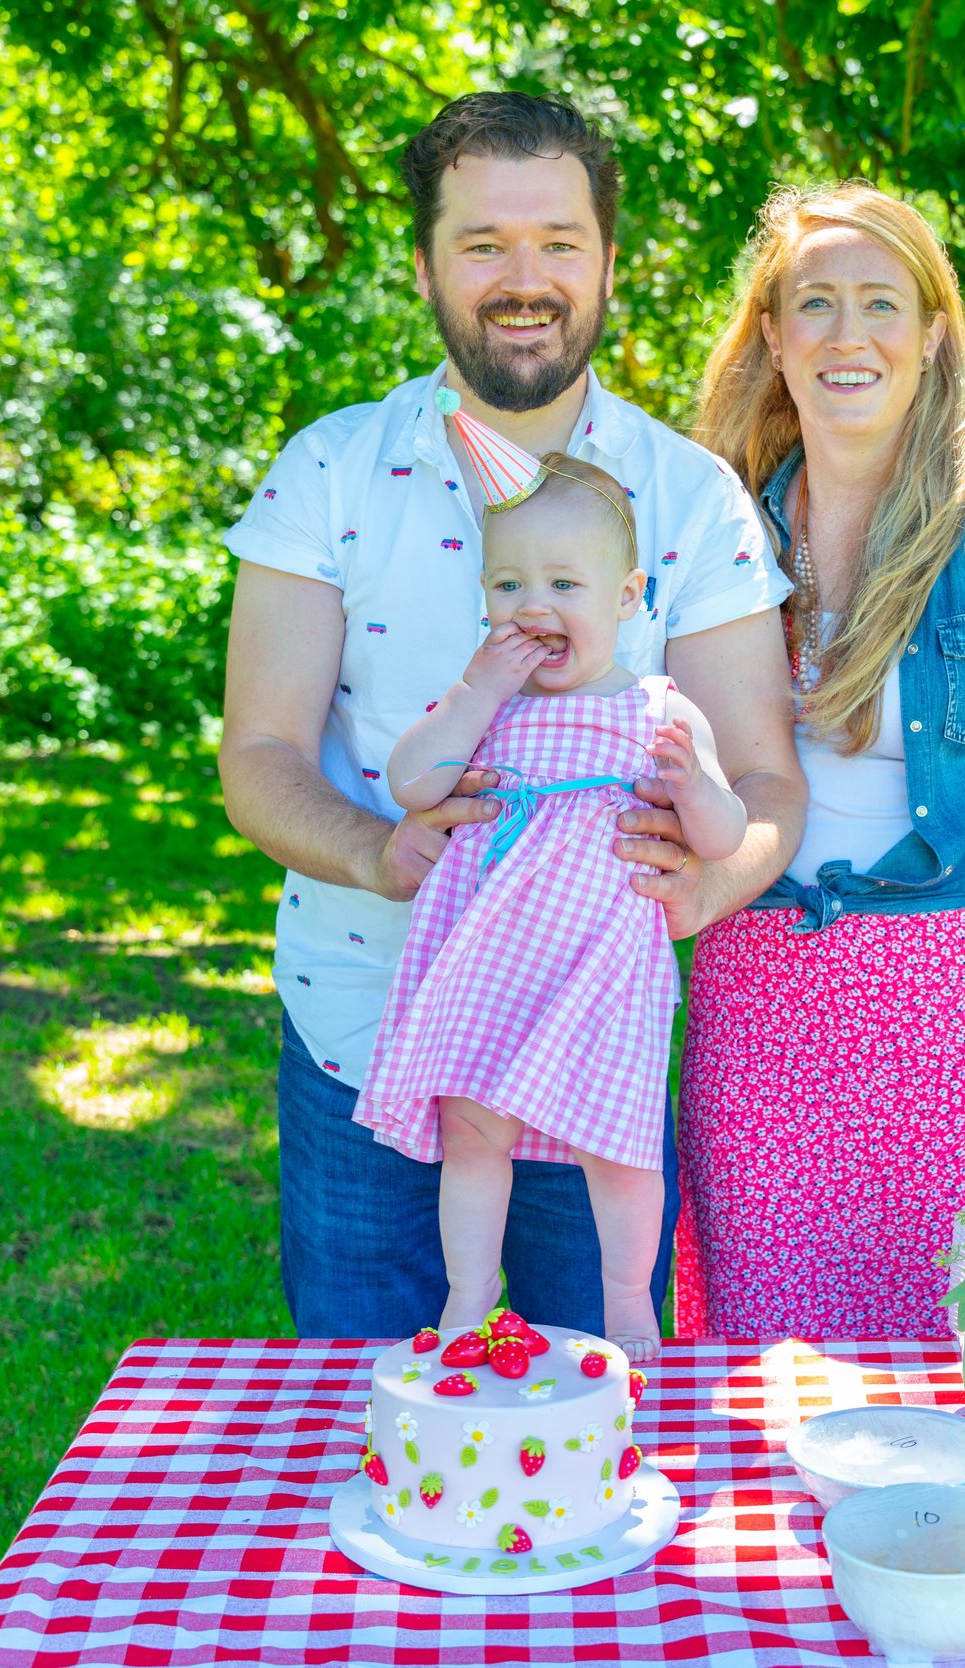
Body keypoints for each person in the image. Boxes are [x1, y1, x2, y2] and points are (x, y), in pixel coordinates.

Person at [218, 93, 802, 1341]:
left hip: (586, 1028)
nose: (523, 279)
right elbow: (260, 755)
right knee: (368, 1423)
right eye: (484, 244)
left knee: (600, 1422)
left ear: (605, 261)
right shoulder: (326, 470)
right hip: (358, 1028)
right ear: (426, 262)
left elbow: (763, 776)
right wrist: (377, 851)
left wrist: (707, 889)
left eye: (558, 242)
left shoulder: (689, 498)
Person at [673, 182, 965, 1339]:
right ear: (770, 334)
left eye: (880, 302)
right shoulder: (709, 531)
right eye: (813, 304)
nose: (846, 334)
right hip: (760, 1004)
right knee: (765, 1385)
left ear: (932, 331)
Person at [355, 454, 747, 1361]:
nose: (535, 603)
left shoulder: (662, 709)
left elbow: (723, 838)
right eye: (509, 582)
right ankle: (465, 1298)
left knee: (620, 1146)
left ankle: (626, 1304)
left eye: (565, 582)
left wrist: (695, 789)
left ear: (626, 595)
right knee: (472, 1132)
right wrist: (475, 690)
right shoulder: (485, 708)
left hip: (602, 967)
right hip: (491, 962)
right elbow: (413, 782)